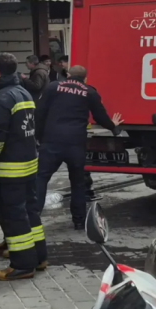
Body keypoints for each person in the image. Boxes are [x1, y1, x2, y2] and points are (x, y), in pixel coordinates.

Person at [0, 53, 44, 281]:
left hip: (8, 169)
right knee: (29, 212)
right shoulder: (22, 92)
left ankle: (22, 264)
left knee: (13, 216)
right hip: (27, 164)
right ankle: (39, 256)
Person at [35, 65, 122, 229]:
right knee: (77, 183)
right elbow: (99, 115)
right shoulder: (89, 92)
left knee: (41, 178)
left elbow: (39, 112)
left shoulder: (53, 87)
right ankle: (79, 220)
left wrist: (39, 137)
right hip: (76, 143)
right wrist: (113, 126)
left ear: (68, 75)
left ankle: (34, 218)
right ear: (85, 78)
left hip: (52, 141)